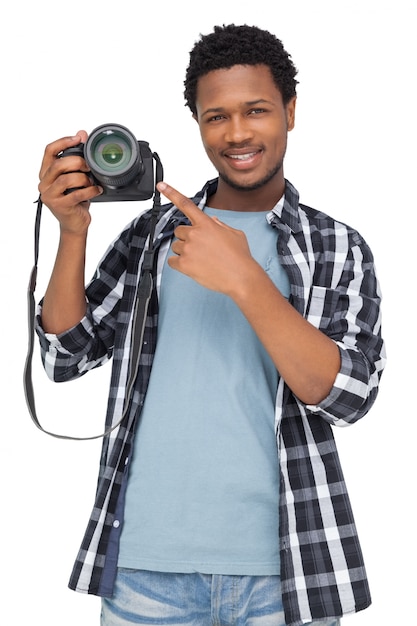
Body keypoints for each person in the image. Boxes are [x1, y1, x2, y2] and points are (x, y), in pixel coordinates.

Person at [36, 23, 386, 626]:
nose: (238, 133)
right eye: (215, 117)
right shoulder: (154, 235)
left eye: (257, 111)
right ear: (197, 123)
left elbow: (348, 395)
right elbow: (66, 356)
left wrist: (246, 279)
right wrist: (72, 232)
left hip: (286, 572)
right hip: (147, 568)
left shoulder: (336, 245)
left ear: (291, 112)